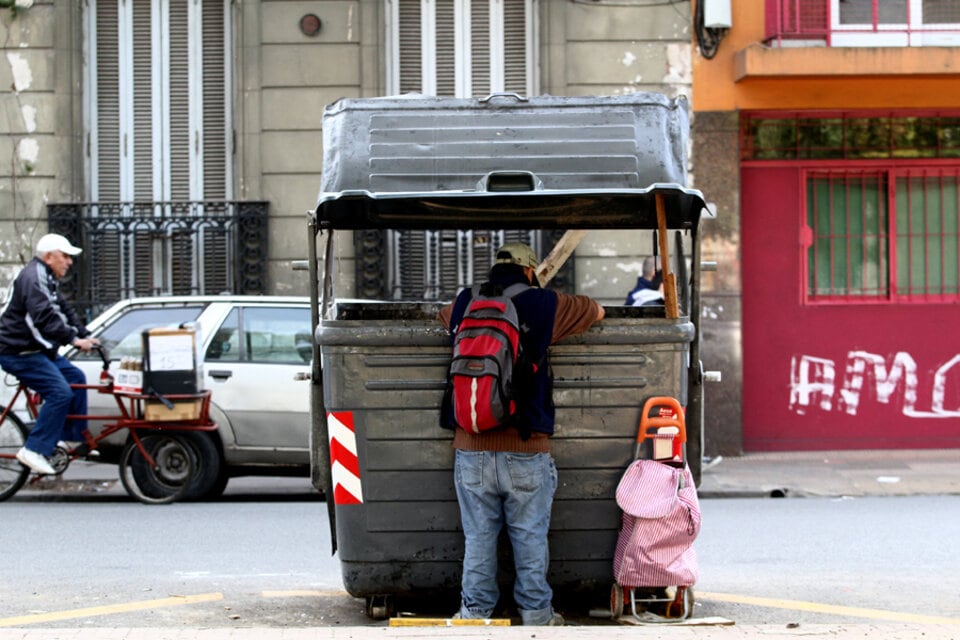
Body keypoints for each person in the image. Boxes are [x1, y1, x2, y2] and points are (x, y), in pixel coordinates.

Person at [438, 242, 605, 626]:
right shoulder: (545, 304)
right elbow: (596, 309)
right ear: (530, 271)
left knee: (479, 538)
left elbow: (440, 316)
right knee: (529, 536)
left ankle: (475, 613)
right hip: (526, 447)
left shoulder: (465, 301)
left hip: (471, 444)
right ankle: (536, 614)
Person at [0, 233, 100, 475]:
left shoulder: (46, 277)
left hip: (37, 350)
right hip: (18, 351)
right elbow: (44, 318)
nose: (69, 262)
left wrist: (84, 333)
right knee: (59, 393)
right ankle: (33, 449)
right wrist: (74, 340)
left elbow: (63, 310)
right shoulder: (34, 279)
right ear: (49, 256)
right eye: (64, 256)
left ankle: (66, 439)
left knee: (75, 377)